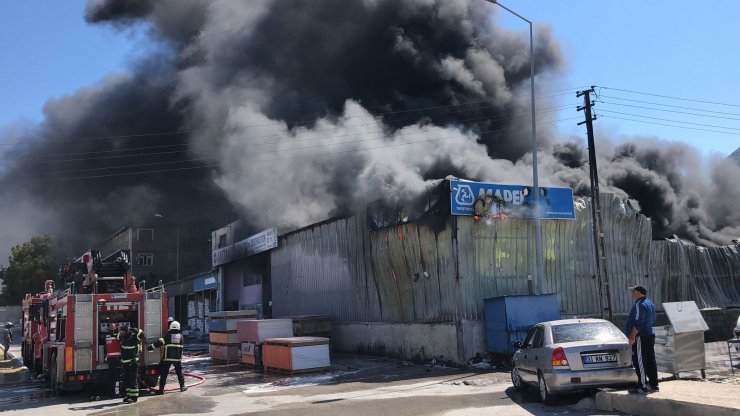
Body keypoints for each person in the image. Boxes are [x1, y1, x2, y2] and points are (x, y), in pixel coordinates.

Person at [625, 285, 659, 394]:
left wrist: (632, 336)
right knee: (650, 360)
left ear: (639, 292)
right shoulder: (650, 303)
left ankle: (642, 386)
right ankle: (654, 385)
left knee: (640, 362)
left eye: (633, 291)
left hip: (641, 337)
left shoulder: (640, 304)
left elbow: (638, 322)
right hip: (649, 335)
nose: (632, 294)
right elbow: (653, 319)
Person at [149, 320, 187, 394]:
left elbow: (160, 342)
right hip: (177, 359)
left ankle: (161, 390)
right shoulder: (181, 336)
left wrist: (152, 346)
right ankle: (182, 387)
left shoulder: (167, 335)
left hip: (167, 358)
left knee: (164, 374)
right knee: (179, 373)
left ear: (170, 327)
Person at [116, 324, 146, 403]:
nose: (123, 332)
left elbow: (142, 333)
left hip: (133, 362)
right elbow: (117, 336)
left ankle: (134, 397)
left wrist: (131, 329)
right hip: (125, 362)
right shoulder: (122, 337)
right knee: (126, 380)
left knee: (133, 380)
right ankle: (128, 395)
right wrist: (121, 329)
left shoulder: (134, 337)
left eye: (124, 331)